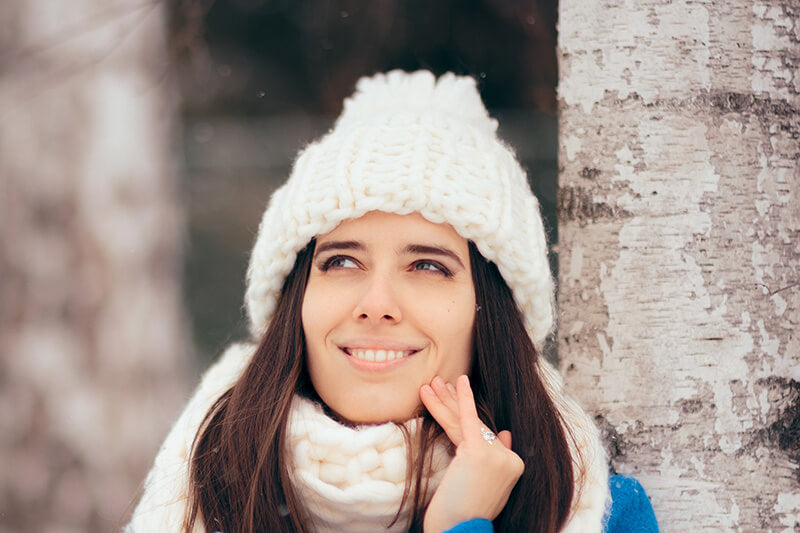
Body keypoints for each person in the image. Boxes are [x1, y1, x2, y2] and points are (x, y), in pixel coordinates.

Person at [126, 70, 658, 532]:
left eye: (427, 265)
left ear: (490, 314)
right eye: (342, 261)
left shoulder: (599, 513)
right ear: (296, 303)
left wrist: (461, 525)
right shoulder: (205, 499)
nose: (376, 303)